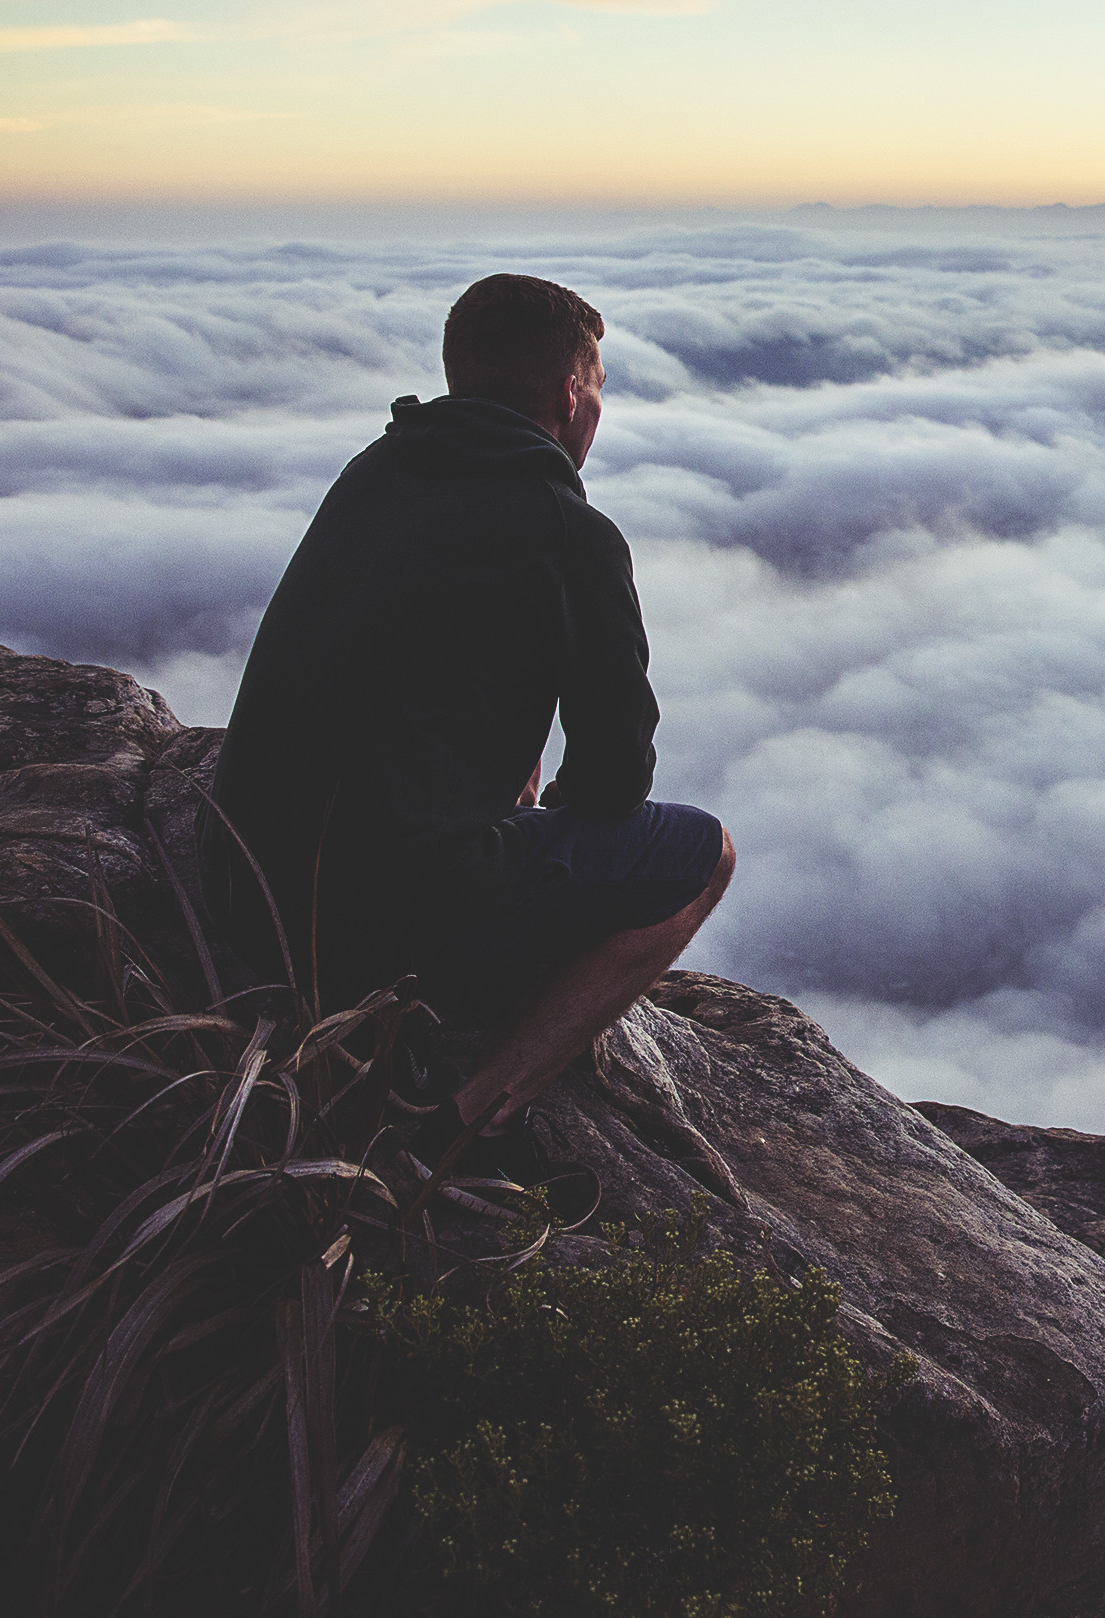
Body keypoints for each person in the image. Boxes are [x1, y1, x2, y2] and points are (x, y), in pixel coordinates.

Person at [210, 273, 734, 1141]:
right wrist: (548, 819)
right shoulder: (567, 532)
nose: (597, 410)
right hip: (376, 932)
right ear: (570, 395)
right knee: (701, 854)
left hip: (244, 892)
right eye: (597, 389)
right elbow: (616, 777)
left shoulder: (376, 470)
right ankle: (460, 1120)